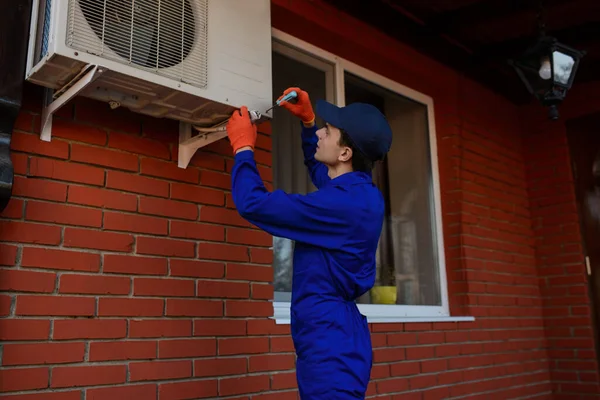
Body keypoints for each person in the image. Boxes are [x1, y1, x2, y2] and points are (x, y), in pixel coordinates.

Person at [225, 87, 393, 399]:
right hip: (337, 335)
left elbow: (254, 204)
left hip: (330, 344)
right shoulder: (362, 192)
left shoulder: (342, 206)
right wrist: (307, 122)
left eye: (327, 131)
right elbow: (324, 174)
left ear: (345, 153)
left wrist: (243, 148)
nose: (320, 134)